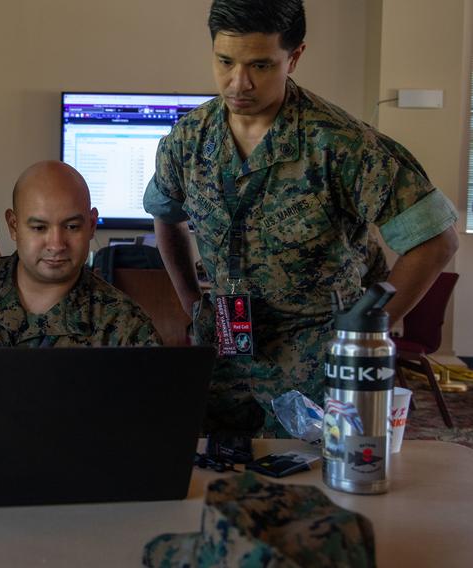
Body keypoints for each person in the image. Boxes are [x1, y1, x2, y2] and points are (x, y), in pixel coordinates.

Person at [143, 0, 458, 435]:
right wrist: (191, 300)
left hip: (315, 360)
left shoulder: (341, 145)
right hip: (224, 349)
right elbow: (166, 214)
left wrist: (363, 336)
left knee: (310, 489)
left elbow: (435, 241)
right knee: (213, 478)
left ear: (294, 58)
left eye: (260, 65)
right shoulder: (188, 140)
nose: (239, 83)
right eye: (224, 62)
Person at [0, 160, 162, 349]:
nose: (56, 244)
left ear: (91, 225)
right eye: (39, 228)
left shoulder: (125, 326)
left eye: (72, 227)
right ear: (13, 226)